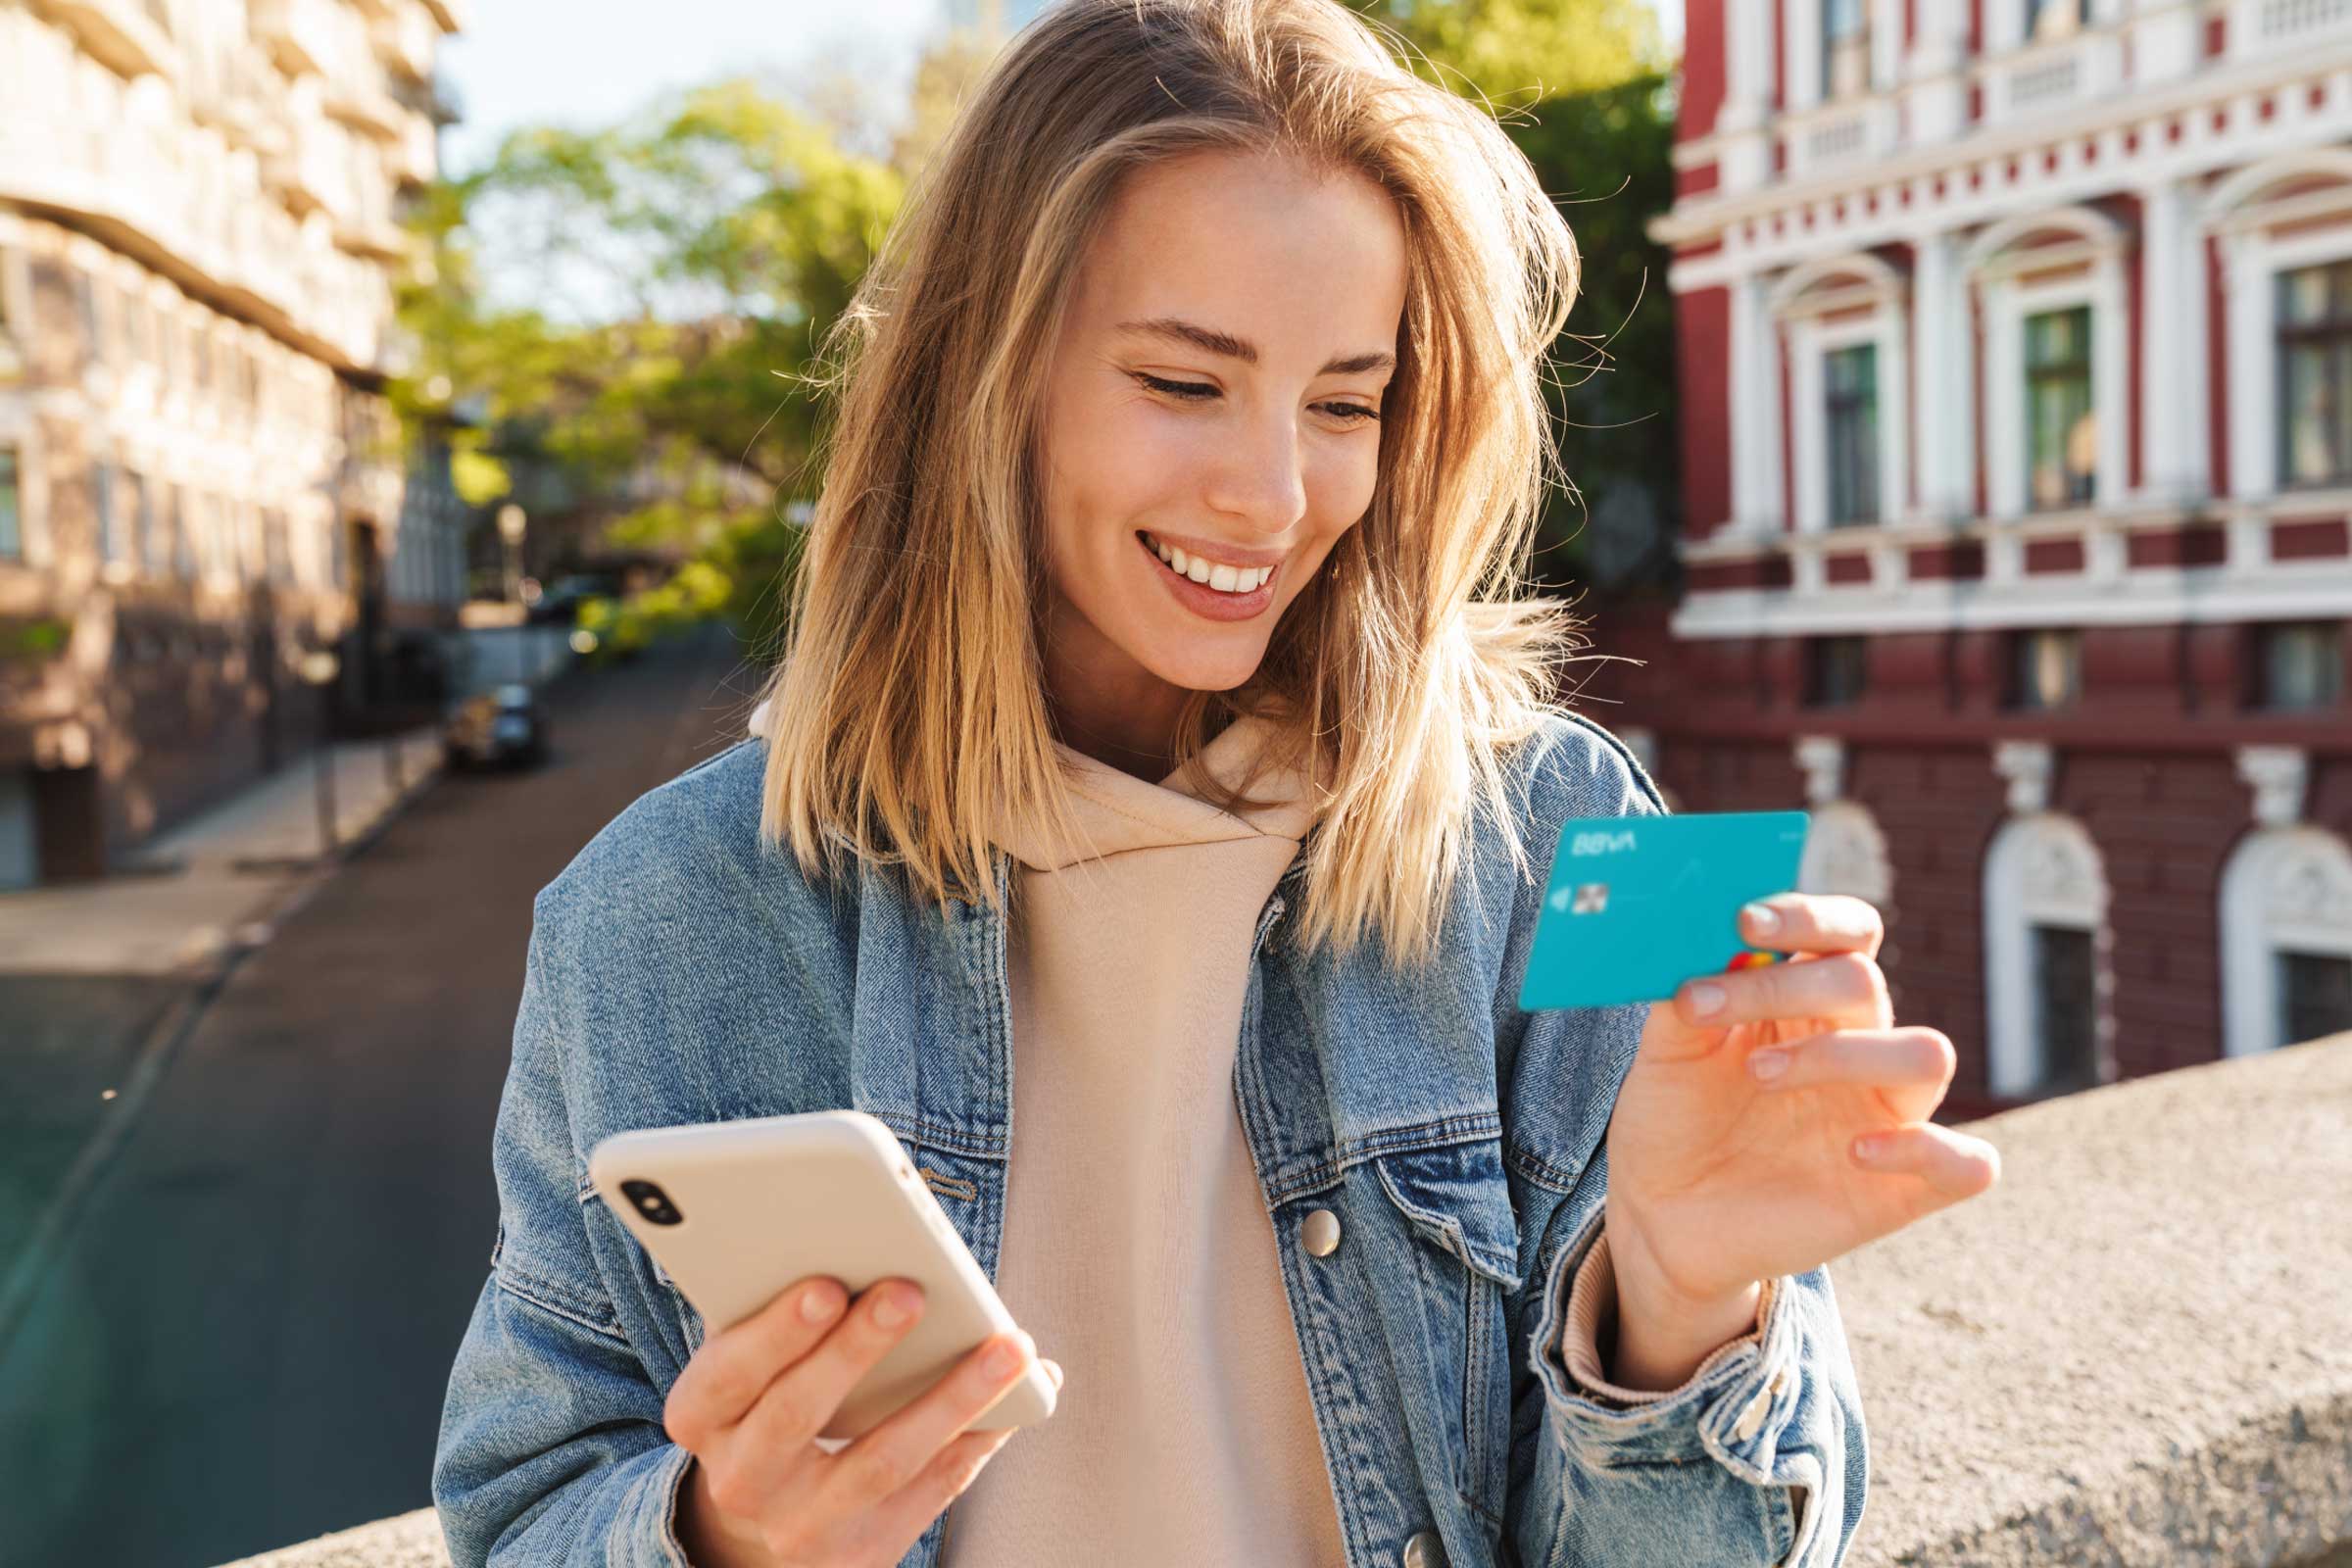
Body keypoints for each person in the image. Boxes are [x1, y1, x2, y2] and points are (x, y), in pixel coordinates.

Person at [430, 1, 2002, 1564]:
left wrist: (1681, 1316)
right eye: (1186, 383)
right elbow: (520, 1509)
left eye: (1345, 402)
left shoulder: (1581, 832)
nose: (1273, 493)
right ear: (987, 378)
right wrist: (722, 1540)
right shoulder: (653, 915)